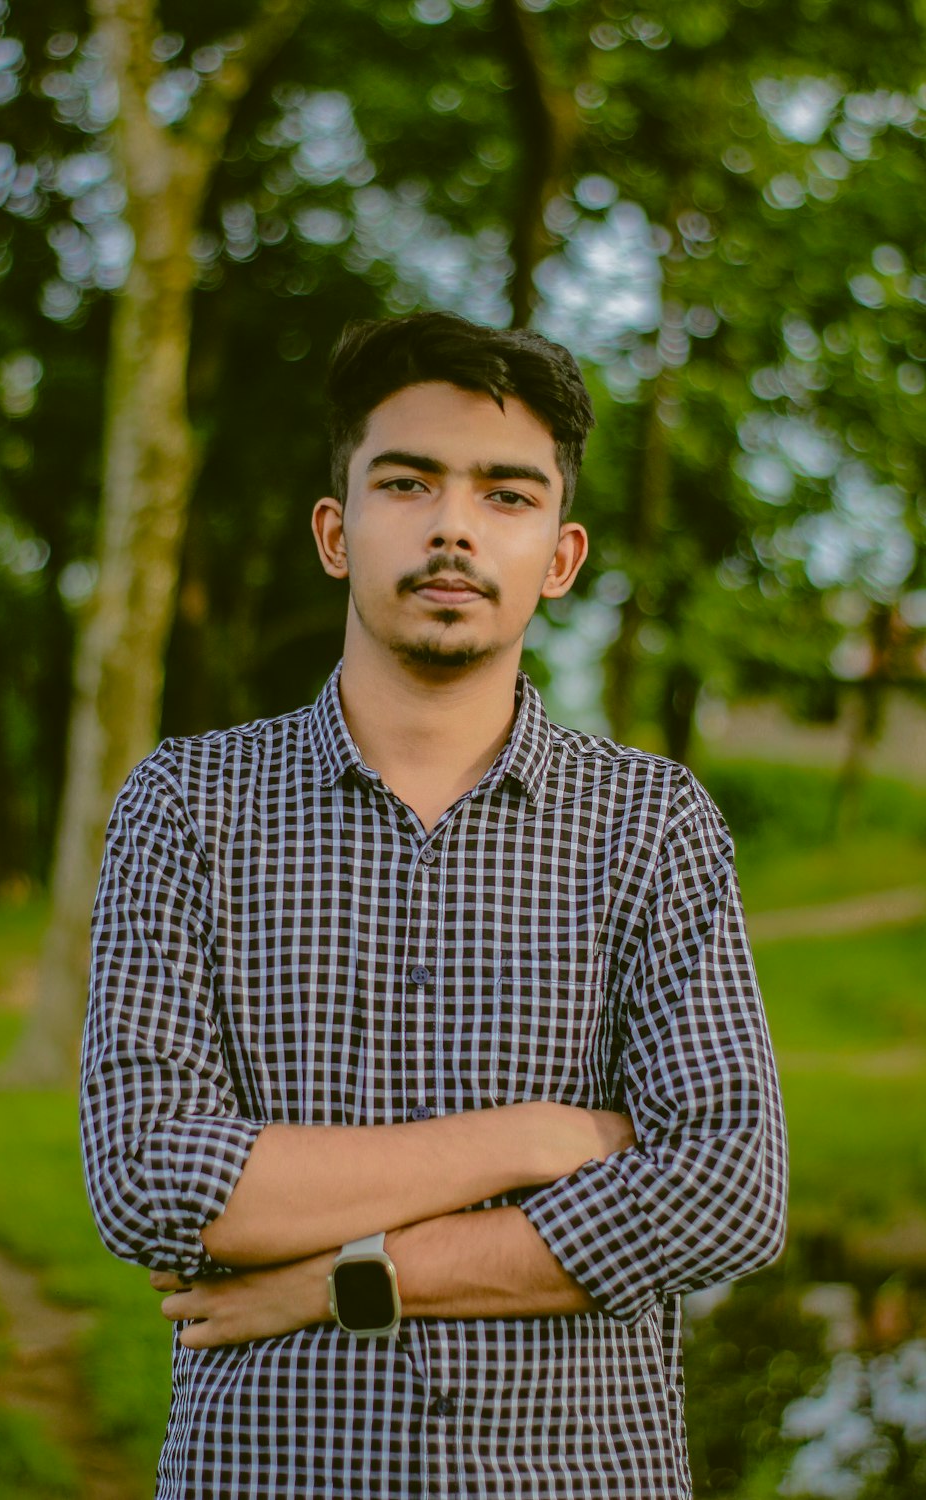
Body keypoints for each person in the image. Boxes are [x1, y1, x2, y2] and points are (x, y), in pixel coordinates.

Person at [80, 310, 787, 1500]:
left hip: (578, 1478)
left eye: (506, 496)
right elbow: (154, 1180)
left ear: (558, 559)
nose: (454, 526)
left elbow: (727, 1190)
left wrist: (342, 1275)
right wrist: (531, 1138)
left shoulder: (652, 825)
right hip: (271, 1474)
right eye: (406, 483)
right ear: (336, 531)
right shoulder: (186, 807)